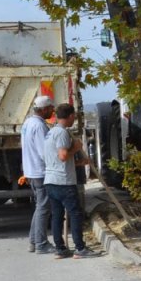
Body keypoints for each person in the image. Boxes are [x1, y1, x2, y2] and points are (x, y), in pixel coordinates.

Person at [43, 103, 100, 259]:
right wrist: (76, 147)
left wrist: (79, 163)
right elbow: (62, 156)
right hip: (63, 182)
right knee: (75, 214)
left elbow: (57, 160)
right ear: (69, 116)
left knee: (57, 215)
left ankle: (60, 249)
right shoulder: (62, 133)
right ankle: (80, 249)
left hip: (50, 180)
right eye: (73, 116)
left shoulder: (50, 133)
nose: (74, 119)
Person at [21, 96, 56, 254]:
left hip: (31, 170)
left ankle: (33, 241)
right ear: (43, 109)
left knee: (39, 206)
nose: (52, 110)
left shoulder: (28, 123)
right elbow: (44, 152)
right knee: (43, 207)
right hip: (40, 171)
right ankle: (41, 244)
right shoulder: (40, 126)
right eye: (50, 108)